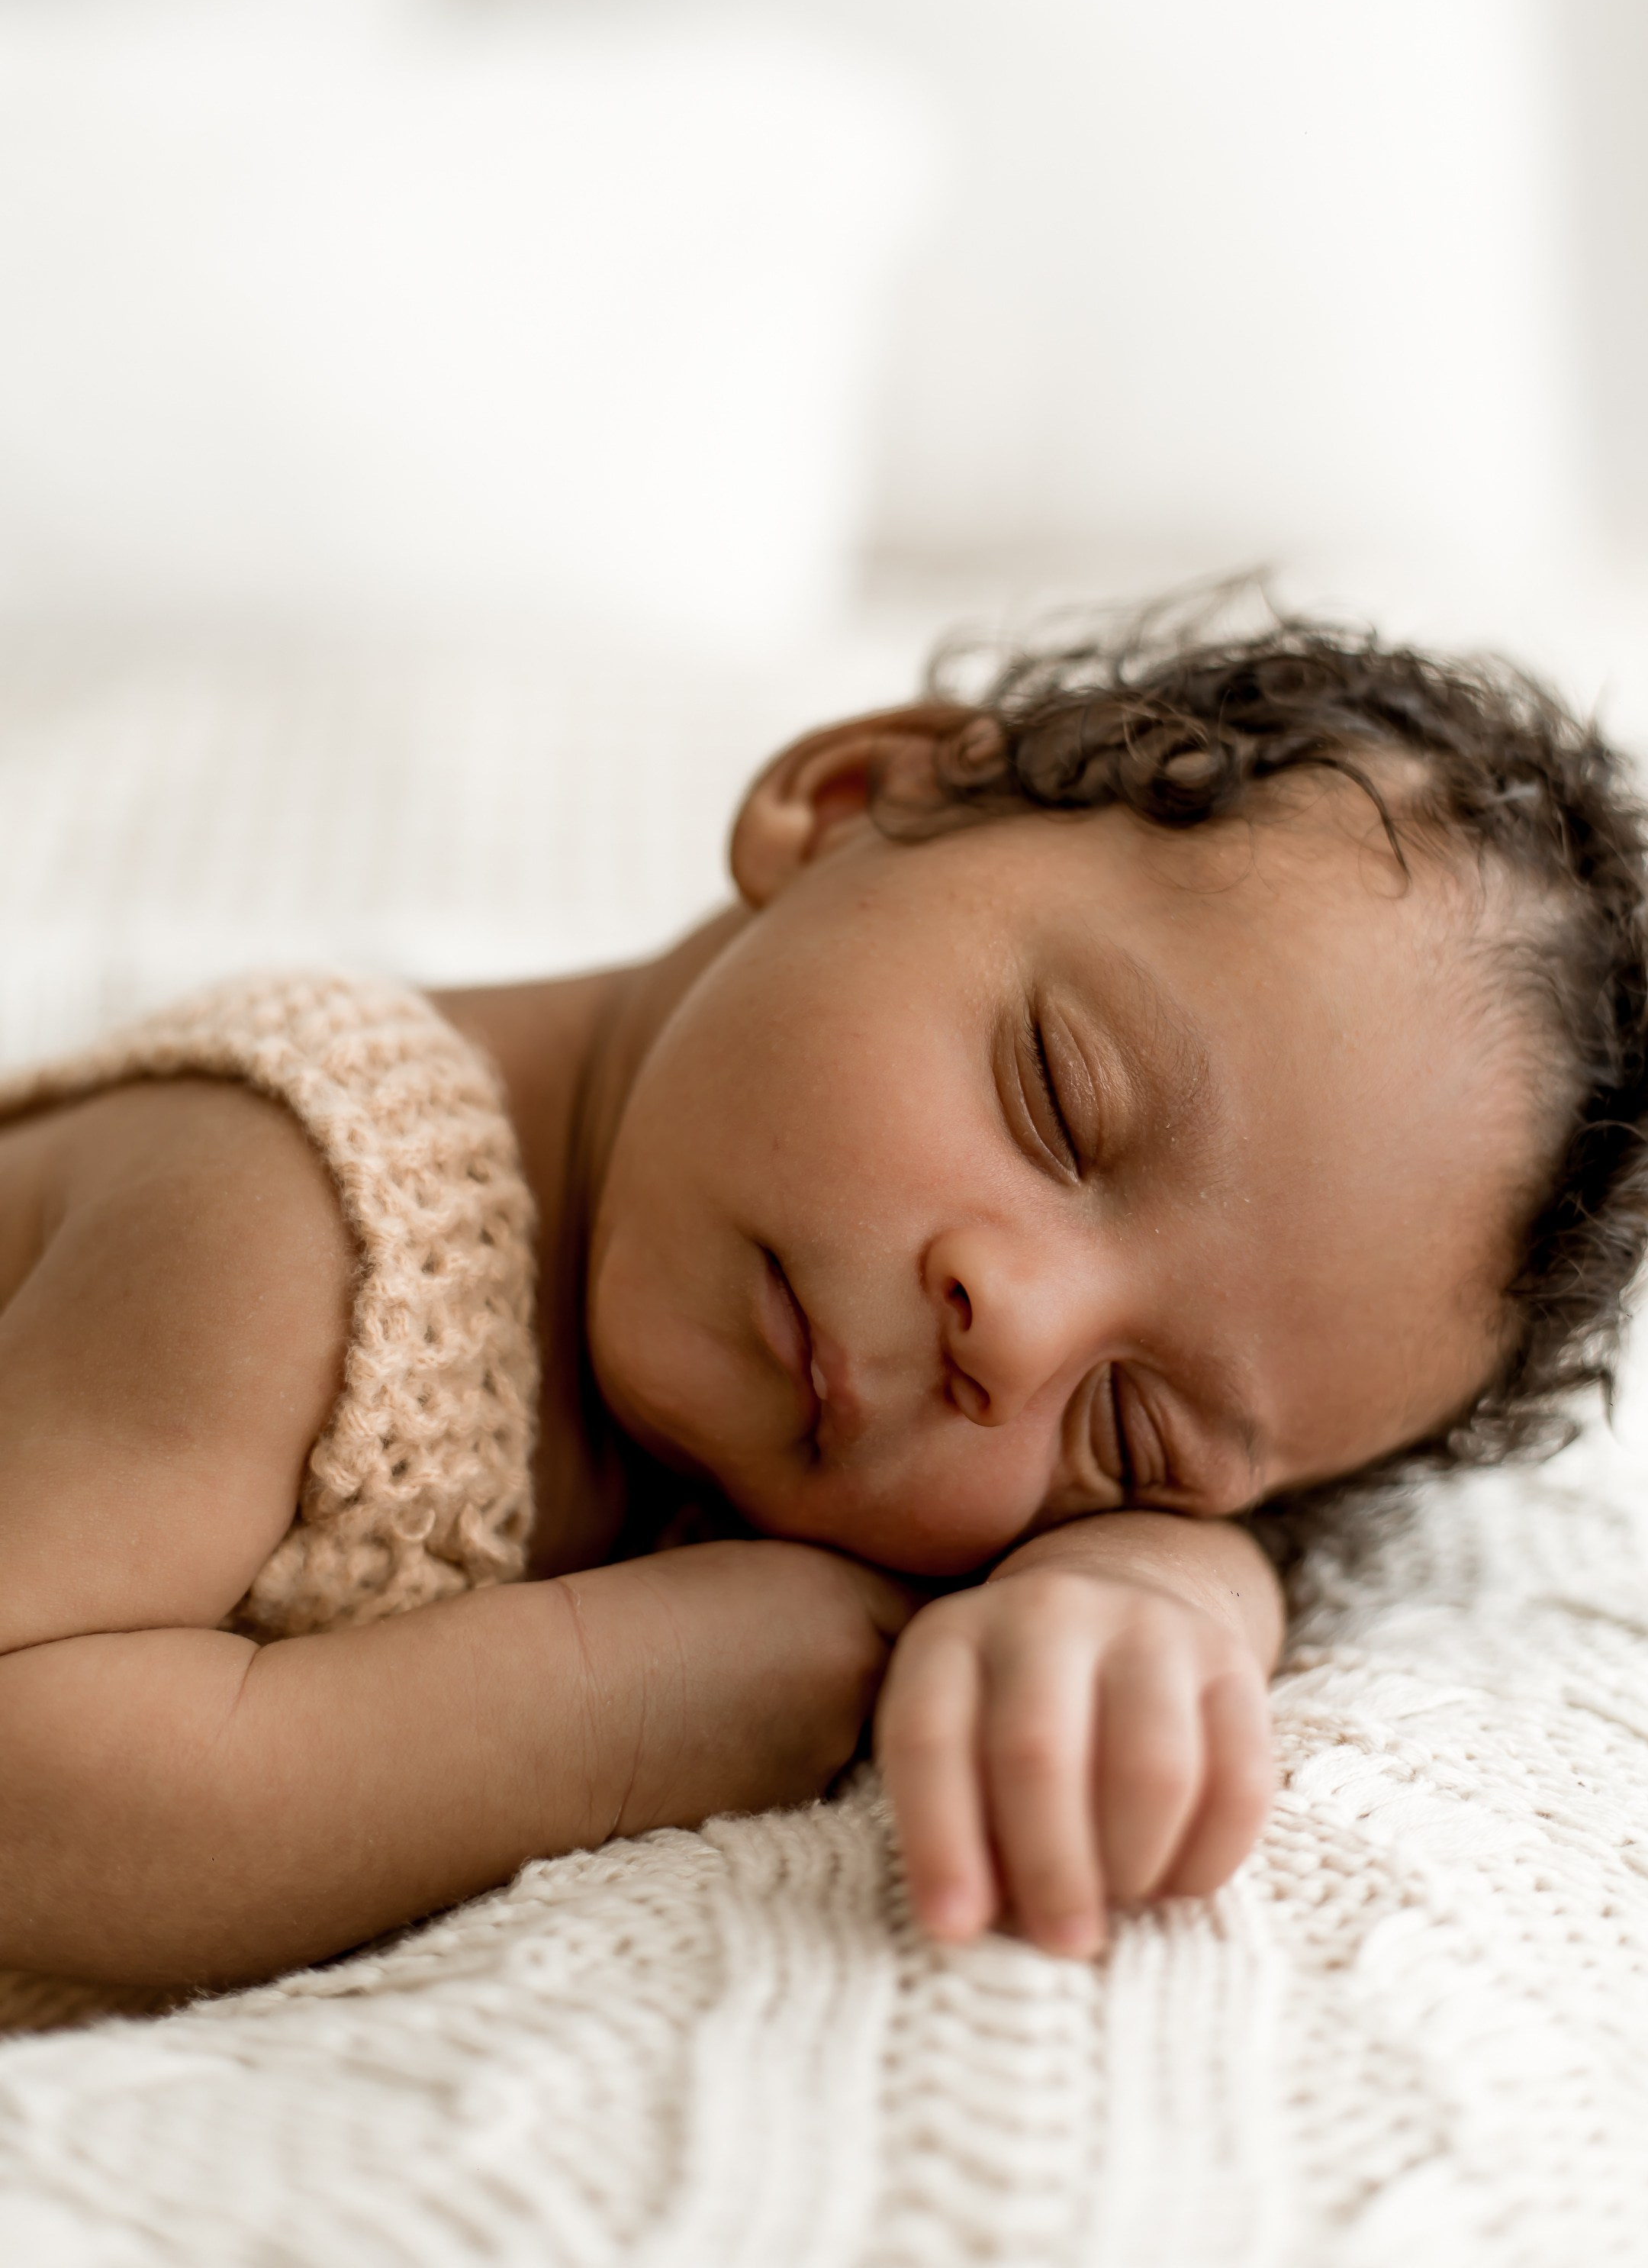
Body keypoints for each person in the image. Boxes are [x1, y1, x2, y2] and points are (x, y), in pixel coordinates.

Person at [1, 599, 1643, 1997]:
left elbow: (1229, 1540)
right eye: (1058, 1101)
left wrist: (1139, 1593)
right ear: (857, 801)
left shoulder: (866, 1414)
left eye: (1132, 1429)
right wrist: (621, 1708)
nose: (1019, 1338)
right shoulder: (285, 1217)